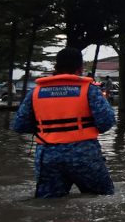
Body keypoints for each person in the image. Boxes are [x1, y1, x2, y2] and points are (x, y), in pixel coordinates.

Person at [11, 47, 117, 198]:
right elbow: (107, 121)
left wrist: (47, 128)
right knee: (103, 198)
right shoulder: (89, 90)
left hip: (48, 156)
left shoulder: (36, 92)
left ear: (56, 68)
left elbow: (19, 125)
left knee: (48, 203)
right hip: (84, 154)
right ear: (80, 68)